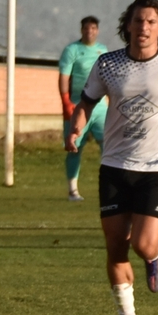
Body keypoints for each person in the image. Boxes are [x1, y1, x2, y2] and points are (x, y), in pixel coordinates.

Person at [66, 0, 158, 315]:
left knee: (142, 244)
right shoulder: (108, 64)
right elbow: (86, 102)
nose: (143, 27)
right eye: (138, 21)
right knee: (115, 246)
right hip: (114, 166)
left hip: (155, 168)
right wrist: (76, 128)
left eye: (151, 21)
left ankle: (153, 258)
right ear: (127, 25)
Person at [58, 15, 108, 202]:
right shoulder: (72, 50)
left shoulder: (103, 50)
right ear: (82, 30)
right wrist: (66, 102)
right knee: (74, 148)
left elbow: (108, 79)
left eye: (93, 28)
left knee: (109, 146)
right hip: (78, 106)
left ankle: (109, 186)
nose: (90, 31)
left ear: (97, 30)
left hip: (100, 108)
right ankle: (73, 190)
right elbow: (64, 77)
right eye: (86, 28)